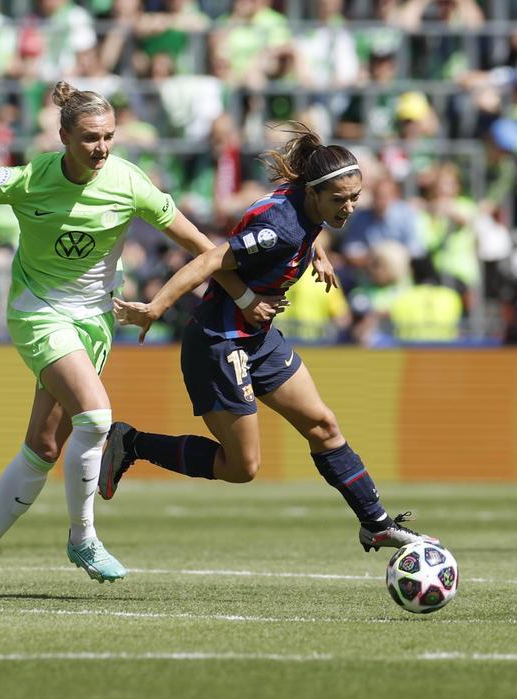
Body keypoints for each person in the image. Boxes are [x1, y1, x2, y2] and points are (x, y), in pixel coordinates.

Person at [0, 82, 269, 599]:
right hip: (39, 312)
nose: (102, 148)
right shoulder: (29, 179)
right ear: (63, 136)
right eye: (91, 138)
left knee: (45, 446)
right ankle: (83, 537)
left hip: (95, 320)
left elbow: (201, 246)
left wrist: (245, 296)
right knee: (94, 417)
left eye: (109, 137)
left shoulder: (129, 182)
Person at [105, 124, 436, 554]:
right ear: (314, 194)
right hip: (220, 341)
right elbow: (209, 258)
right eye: (340, 200)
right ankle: (129, 442)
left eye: (356, 197)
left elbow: (306, 222)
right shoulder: (278, 229)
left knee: (323, 425)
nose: (350, 208)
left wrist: (320, 251)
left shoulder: (307, 203)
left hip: (257, 336)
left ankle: (376, 523)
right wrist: (156, 308)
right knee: (242, 467)